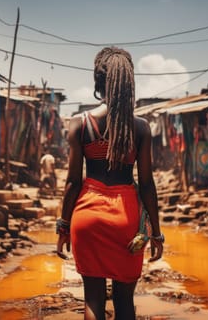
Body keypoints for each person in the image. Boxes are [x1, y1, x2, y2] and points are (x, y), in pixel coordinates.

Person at [56, 46, 164, 320]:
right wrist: (156, 233)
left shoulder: (79, 123)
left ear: (98, 81)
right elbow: (147, 184)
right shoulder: (140, 128)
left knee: (93, 299)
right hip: (126, 220)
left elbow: (72, 182)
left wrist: (64, 226)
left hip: (87, 217)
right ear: (129, 83)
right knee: (125, 302)